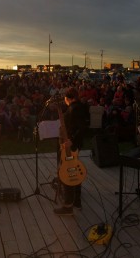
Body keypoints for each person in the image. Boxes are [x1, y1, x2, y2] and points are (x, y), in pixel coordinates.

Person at [54, 87, 89, 215]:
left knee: (67, 173)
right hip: (71, 146)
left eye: (65, 99)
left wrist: (72, 140)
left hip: (69, 147)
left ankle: (68, 205)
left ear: (68, 98)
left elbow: (81, 127)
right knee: (73, 171)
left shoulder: (75, 108)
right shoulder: (78, 107)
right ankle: (76, 202)